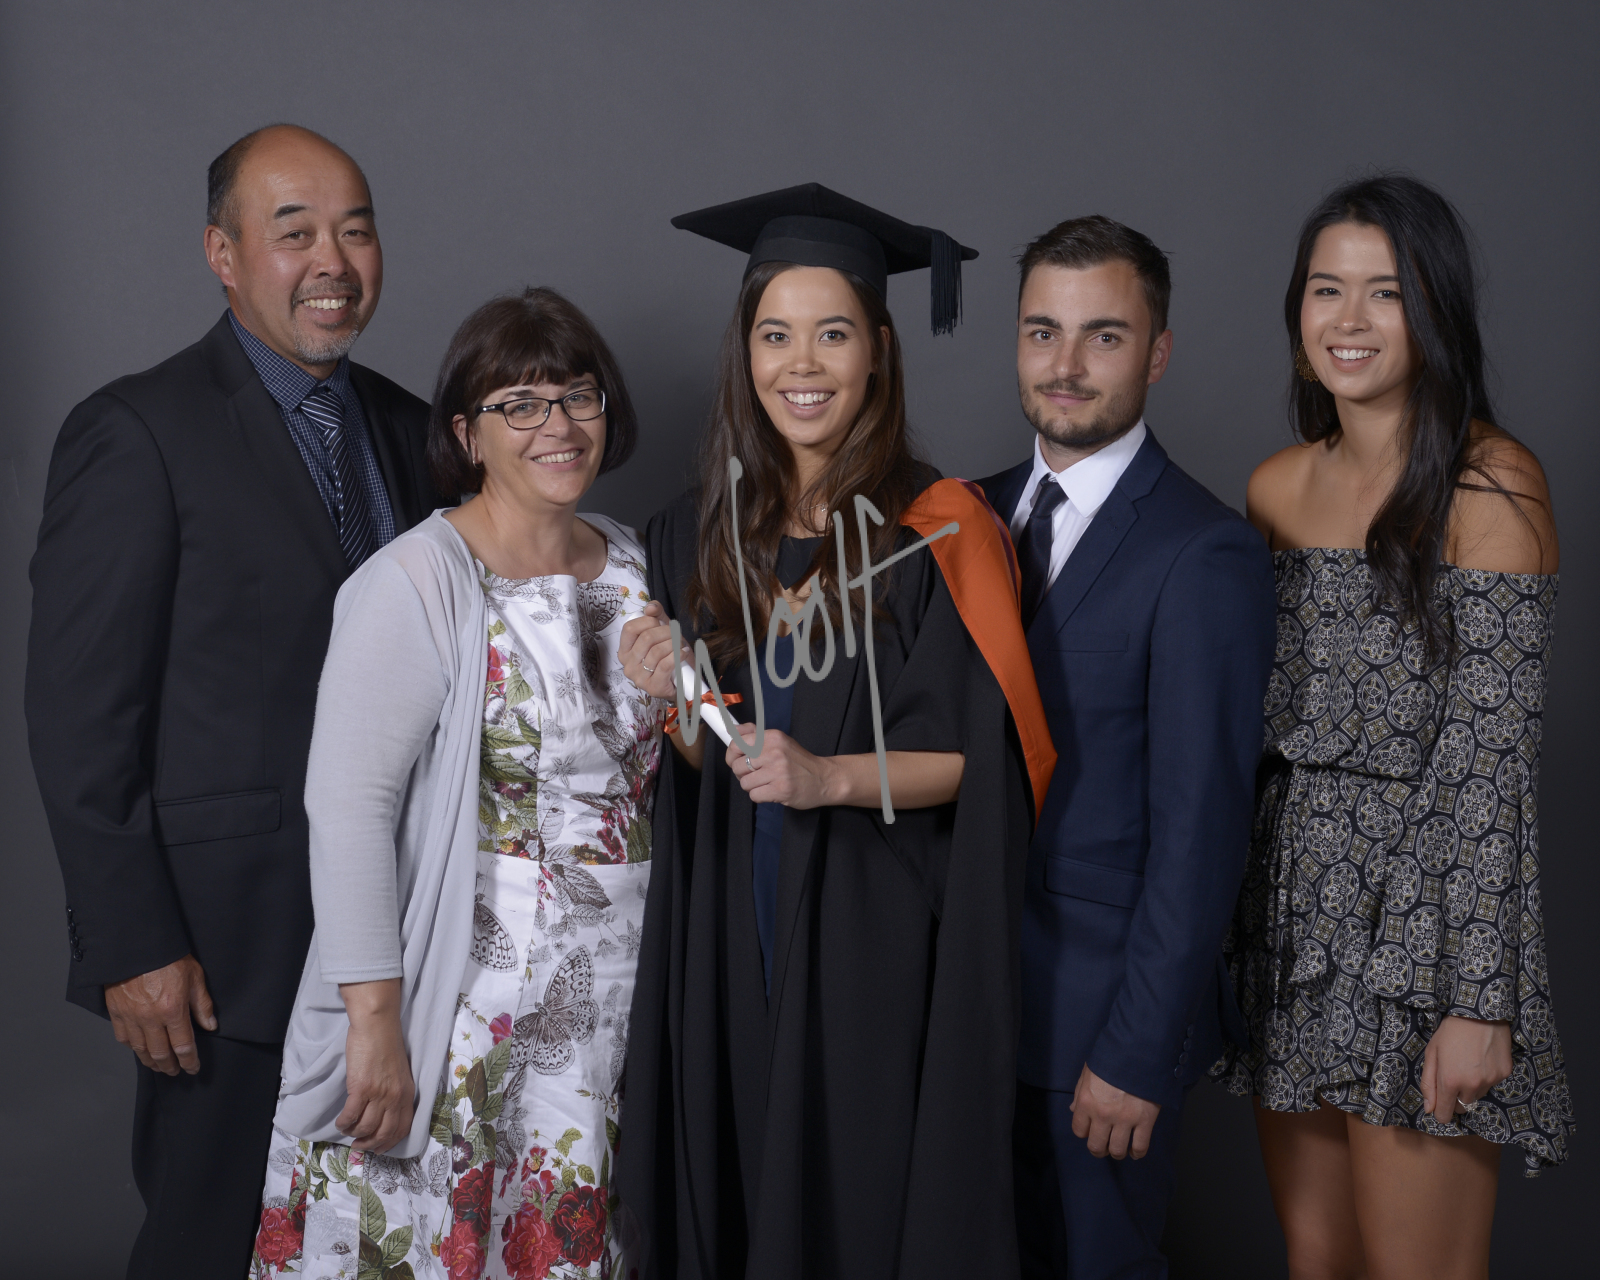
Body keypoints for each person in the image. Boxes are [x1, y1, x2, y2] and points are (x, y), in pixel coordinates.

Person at [615, 184, 1056, 1280]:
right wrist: (674, 691)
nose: (800, 365)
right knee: (737, 1170)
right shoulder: (694, 529)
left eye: (832, 334)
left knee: (850, 1194)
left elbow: (974, 762)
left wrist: (827, 778)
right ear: (745, 352)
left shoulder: (938, 529)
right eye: (774, 335)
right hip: (727, 916)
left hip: (870, 921)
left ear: (879, 354)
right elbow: (702, 759)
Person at [24, 124, 438, 1277]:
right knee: (213, 1240)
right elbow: (79, 713)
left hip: (405, 933)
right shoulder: (137, 431)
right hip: (225, 955)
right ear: (222, 252)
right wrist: (132, 940)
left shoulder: (413, 431)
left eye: (355, 230)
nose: (332, 261)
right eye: (294, 231)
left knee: (383, 1242)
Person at [249, 287, 654, 1279]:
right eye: (521, 403)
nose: (558, 425)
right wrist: (374, 1022)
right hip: (465, 1000)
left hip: (612, 998)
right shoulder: (417, 580)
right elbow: (349, 809)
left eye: (579, 395)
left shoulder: (633, 562)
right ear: (468, 434)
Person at [1215, 174, 1572, 1279]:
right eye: (1327, 289)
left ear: (1435, 311)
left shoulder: (1492, 483)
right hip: (1292, 915)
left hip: (1424, 925)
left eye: (1386, 291)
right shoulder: (1274, 488)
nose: (1350, 319)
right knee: (1316, 1256)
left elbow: (1487, 766)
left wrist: (1476, 999)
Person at [976, 215, 1276, 1279]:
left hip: (1097, 1028)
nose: (1064, 365)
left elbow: (1202, 832)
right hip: (965, 1009)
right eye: (1042, 332)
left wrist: (1139, 1050)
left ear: (1156, 352)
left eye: (1102, 336)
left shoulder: (1203, 549)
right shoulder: (962, 516)